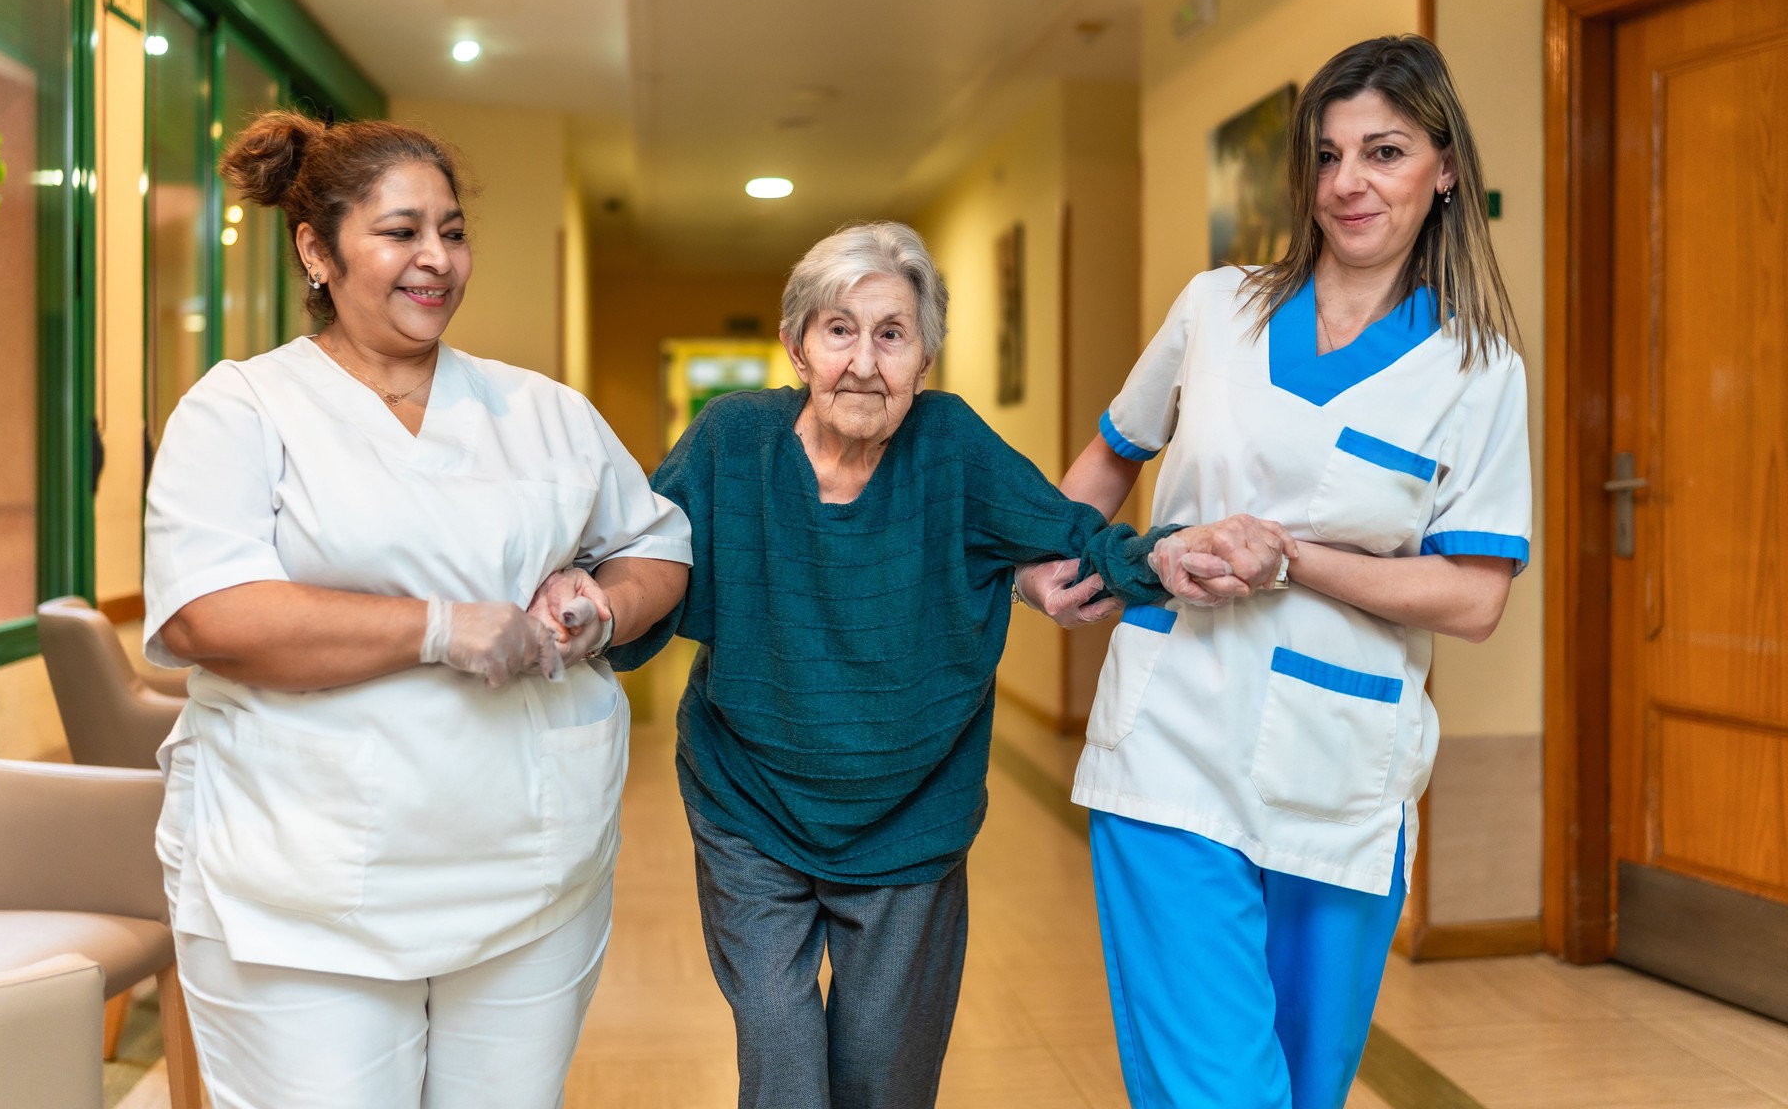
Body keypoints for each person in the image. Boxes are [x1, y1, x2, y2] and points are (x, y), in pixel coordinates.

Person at [608, 221, 1270, 1109]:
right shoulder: (732, 441)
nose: (865, 362)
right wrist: (589, 606)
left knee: (884, 1081)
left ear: (925, 360)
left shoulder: (950, 447)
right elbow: (652, 559)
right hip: (749, 804)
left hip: (910, 819)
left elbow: (1073, 538)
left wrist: (1162, 559)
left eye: (893, 334)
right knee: (781, 1054)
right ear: (797, 345)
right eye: (838, 330)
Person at [142, 111, 691, 1109]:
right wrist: (440, 627)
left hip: (532, 870)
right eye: (401, 231)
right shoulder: (243, 409)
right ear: (318, 249)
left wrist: (602, 604)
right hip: (301, 884)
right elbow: (205, 616)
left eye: (452, 229)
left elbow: (658, 544)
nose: (435, 258)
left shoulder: (541, 409)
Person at [1062, 35, 1530, 1109]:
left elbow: (1475, 595)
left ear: (1445, 168)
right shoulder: (1215, 308)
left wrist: (1293, 557)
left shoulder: (1477, 365)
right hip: (1170, 746)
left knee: (1304, 1086)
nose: (1347, 184)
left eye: (1384, 151)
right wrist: (1049, 568)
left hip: (1341, 770)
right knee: (1220, 1092)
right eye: (1327, 156)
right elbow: (1109, 459)